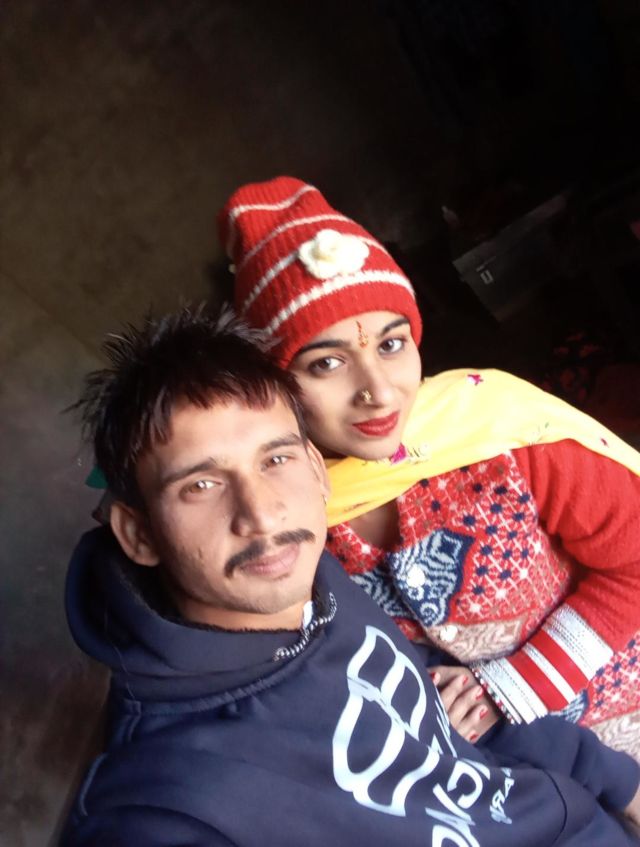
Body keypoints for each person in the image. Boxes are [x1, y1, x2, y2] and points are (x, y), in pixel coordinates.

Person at [62, 306, 640, 845]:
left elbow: (445, 704)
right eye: (201, 485)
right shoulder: (165, 802)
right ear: (138, 533)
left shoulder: (323, 586)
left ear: (317, 471)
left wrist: (625, 787)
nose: (262, 515)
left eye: (276, 459)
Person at [220, 176, 640, 755]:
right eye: (326, 364)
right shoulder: (279, 519)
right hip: (522, 775)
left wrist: (517, 684)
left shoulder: (501, 432)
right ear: (273, 386)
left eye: (391, 345)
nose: (378, 392)